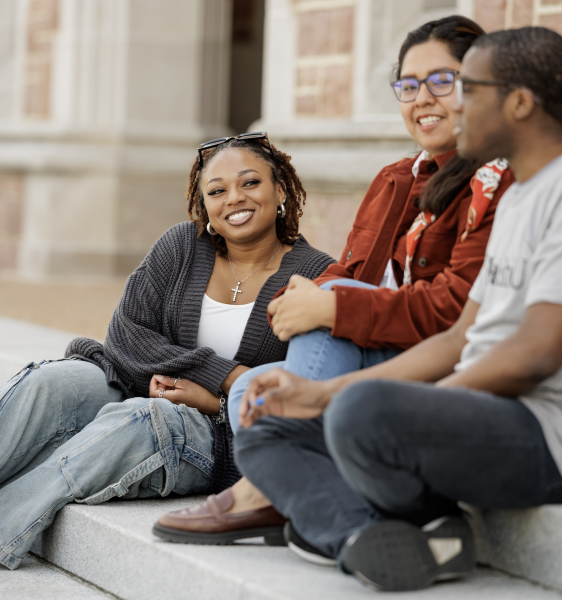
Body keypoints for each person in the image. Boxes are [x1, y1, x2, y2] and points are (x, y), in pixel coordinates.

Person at [153, 15, 513, 545]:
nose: (423, 98)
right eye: (408, 86)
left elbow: (454, 310)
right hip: (382, 354)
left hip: (446, 366)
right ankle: (333, 514)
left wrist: (332, 308)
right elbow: (348, 272)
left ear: (481, 86)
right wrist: (305, 298)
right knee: (252, 386)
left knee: (326, 317)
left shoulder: (497, 183)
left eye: (443, 80)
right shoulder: (396, 179)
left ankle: (265, 491)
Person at [235, 26, 562, 592]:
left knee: (364, 413)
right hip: (469, 412)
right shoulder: (519, 197)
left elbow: (533, 356)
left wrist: (390, 404)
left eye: (466, 87)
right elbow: (459, 339)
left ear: (519, 102)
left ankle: (359, 522)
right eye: (410, 85)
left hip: (537, 431)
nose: (452, 104)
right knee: (271, 426)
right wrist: (319, 394)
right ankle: (377, 537)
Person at [0, 133, 334, 569]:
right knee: (52, 382)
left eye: (250, 183)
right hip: (136, 385)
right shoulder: (181, 246)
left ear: (281, 190)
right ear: (205, 204)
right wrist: (223, 375)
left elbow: (303, 395)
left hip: (219, 438)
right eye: (217, 190)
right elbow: (126, 336)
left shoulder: (315, 278)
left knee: (145, 418)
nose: (234, 198)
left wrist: (216, 400)